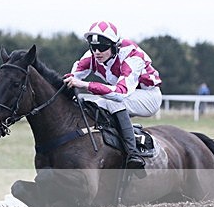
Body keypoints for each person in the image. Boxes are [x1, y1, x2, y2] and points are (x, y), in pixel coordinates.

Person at [64, 21, 162, 173]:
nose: (97, 52)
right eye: (93, 47)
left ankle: (133, 153)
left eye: (102, 47)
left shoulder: (132, 56)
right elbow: (71, 78)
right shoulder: (91, 56)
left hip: (148, 96)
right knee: (92, 103)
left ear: (115, 45)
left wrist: (85, 85)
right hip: (125, 96)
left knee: (111, 102)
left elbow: (120, 92)